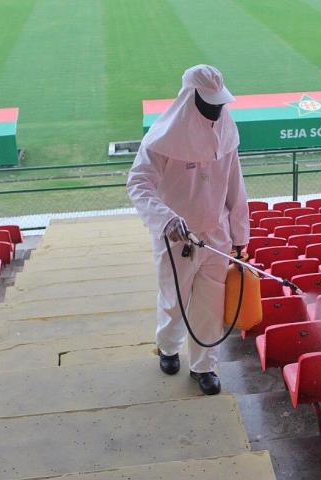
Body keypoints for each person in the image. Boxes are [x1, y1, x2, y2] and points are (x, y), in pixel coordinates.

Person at [126, 65, 249, 395]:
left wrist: (240, 238)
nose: (216, 109)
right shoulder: (161, 139)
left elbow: (236, 188)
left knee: (211, 305)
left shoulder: (226, 130)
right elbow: (138, 183)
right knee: (173, 301)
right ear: (189, 97)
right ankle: (167, 347)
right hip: (176, 239)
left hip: (217, 237)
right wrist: (165, 219)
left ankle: (204, 367)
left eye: (219, 103)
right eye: (209, 103)